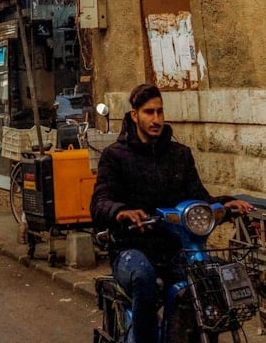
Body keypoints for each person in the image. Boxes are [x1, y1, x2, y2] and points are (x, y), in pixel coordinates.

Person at [90, 83, 252, 343]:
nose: (156, 119)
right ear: (135, 116)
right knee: (143, 278)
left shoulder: (180, 155)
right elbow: (100, 201)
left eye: (159, 112)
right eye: (149, 112)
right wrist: (121, 212)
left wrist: (227, 205)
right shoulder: (115, 156)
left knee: (216, 276)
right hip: (132, 250)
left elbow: (200, 199)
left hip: (177, 250)